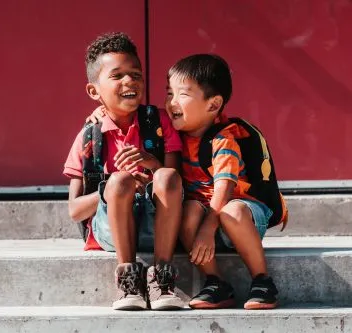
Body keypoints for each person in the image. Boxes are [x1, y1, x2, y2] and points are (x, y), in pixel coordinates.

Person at [64, 32, 185, 310]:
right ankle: (129, 279)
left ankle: (163, 278)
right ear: (94, 91)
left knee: (165, 175)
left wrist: (152, 166)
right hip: (111, 230)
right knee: (118, 182)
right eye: (117, 76)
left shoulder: (159, 122)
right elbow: (75, 210)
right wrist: (114, 188)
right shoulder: (89, 137)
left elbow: (177, 183)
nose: (129, 81)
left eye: (136, 74)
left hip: (159, 224)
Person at [165, 54, 287, 310]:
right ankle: (216, 282)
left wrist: (208, 228)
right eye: (169, 93)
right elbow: (139, 118)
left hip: (242, 216)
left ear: (213, 105)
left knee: (232, 210)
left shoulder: (223, 140)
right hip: (204, 219)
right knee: (187, 210)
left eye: (182, 95)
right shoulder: (172, 133)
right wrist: (100, 112)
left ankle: (262, 281)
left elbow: (225, 188)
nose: (172, 102)